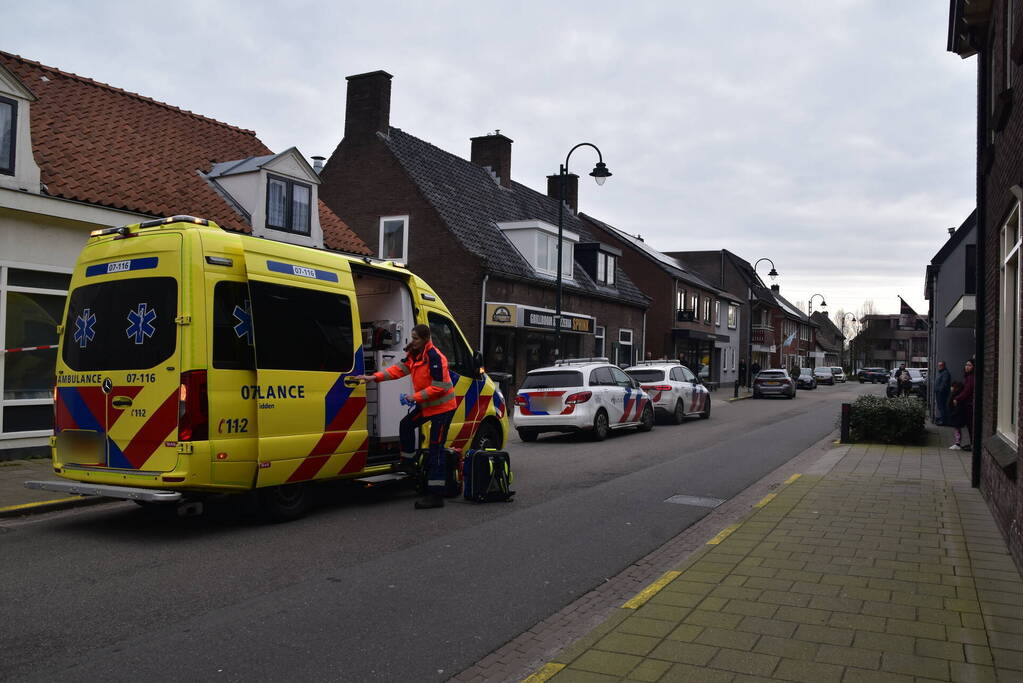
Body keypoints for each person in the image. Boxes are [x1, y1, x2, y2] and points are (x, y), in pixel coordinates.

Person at [354, 324, 457, 509]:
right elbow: (398, 370)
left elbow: (440, 387)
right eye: (412, 337)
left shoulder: (435, 357)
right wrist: (374, 377)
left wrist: (414, 397)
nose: (413, 340)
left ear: (426, 339)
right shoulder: (415, 354)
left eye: (416, 338)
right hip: (428, 407)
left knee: (436, 450)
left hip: (443, 409)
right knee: (406, 425)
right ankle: (408, 462)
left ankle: (436, 496)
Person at [949, 359, 975, 451]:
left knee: (971, 426)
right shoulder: (968, 377)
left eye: (969, 365)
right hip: (969, 404)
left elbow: (967, 391)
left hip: (969, 405)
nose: (967, 367)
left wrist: (957, 398)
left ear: (974, 367)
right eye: (966, 365)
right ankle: (972, 444)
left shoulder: (971, 378)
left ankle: (972, 445)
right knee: (969, 426)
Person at [933, 360, 951, 425]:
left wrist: (940, 390)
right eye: (939, 365)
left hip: (942, 393)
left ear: (944, 366)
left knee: (942, 407)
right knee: (941, 407)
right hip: (938, 392)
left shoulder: (945, 373)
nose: (939, 366)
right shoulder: (940, 372)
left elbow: (944, 383)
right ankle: (943, 419)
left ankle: (944, 421)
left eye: (941, 365)